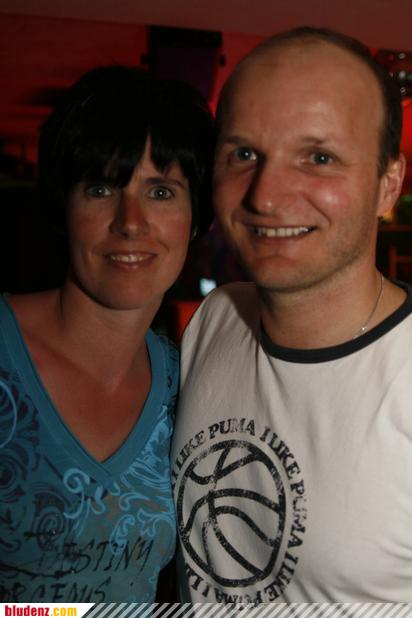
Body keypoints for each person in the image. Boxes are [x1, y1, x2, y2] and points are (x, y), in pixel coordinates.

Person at [171, 27, 412, 603]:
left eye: (319, 157)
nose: (266, 196)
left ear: (388, 185)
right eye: (244, 154)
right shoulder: (216, 319)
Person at [0, 65, 213, 602]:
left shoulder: (188, 387)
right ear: (64, 206)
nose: (130, 221)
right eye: (100, 188)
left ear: (195, 219)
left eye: (161, 191)